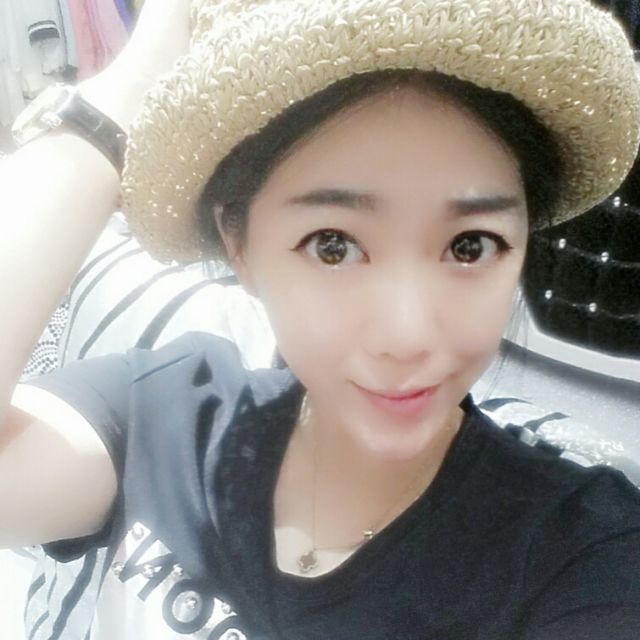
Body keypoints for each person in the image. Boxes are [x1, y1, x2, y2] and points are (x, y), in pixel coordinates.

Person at [1, 0, 640, 638]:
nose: (407, 337)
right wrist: (116, 103)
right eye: (333, 246)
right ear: (239, 245)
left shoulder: (582, 556)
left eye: (470, 246)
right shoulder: (167, 416)